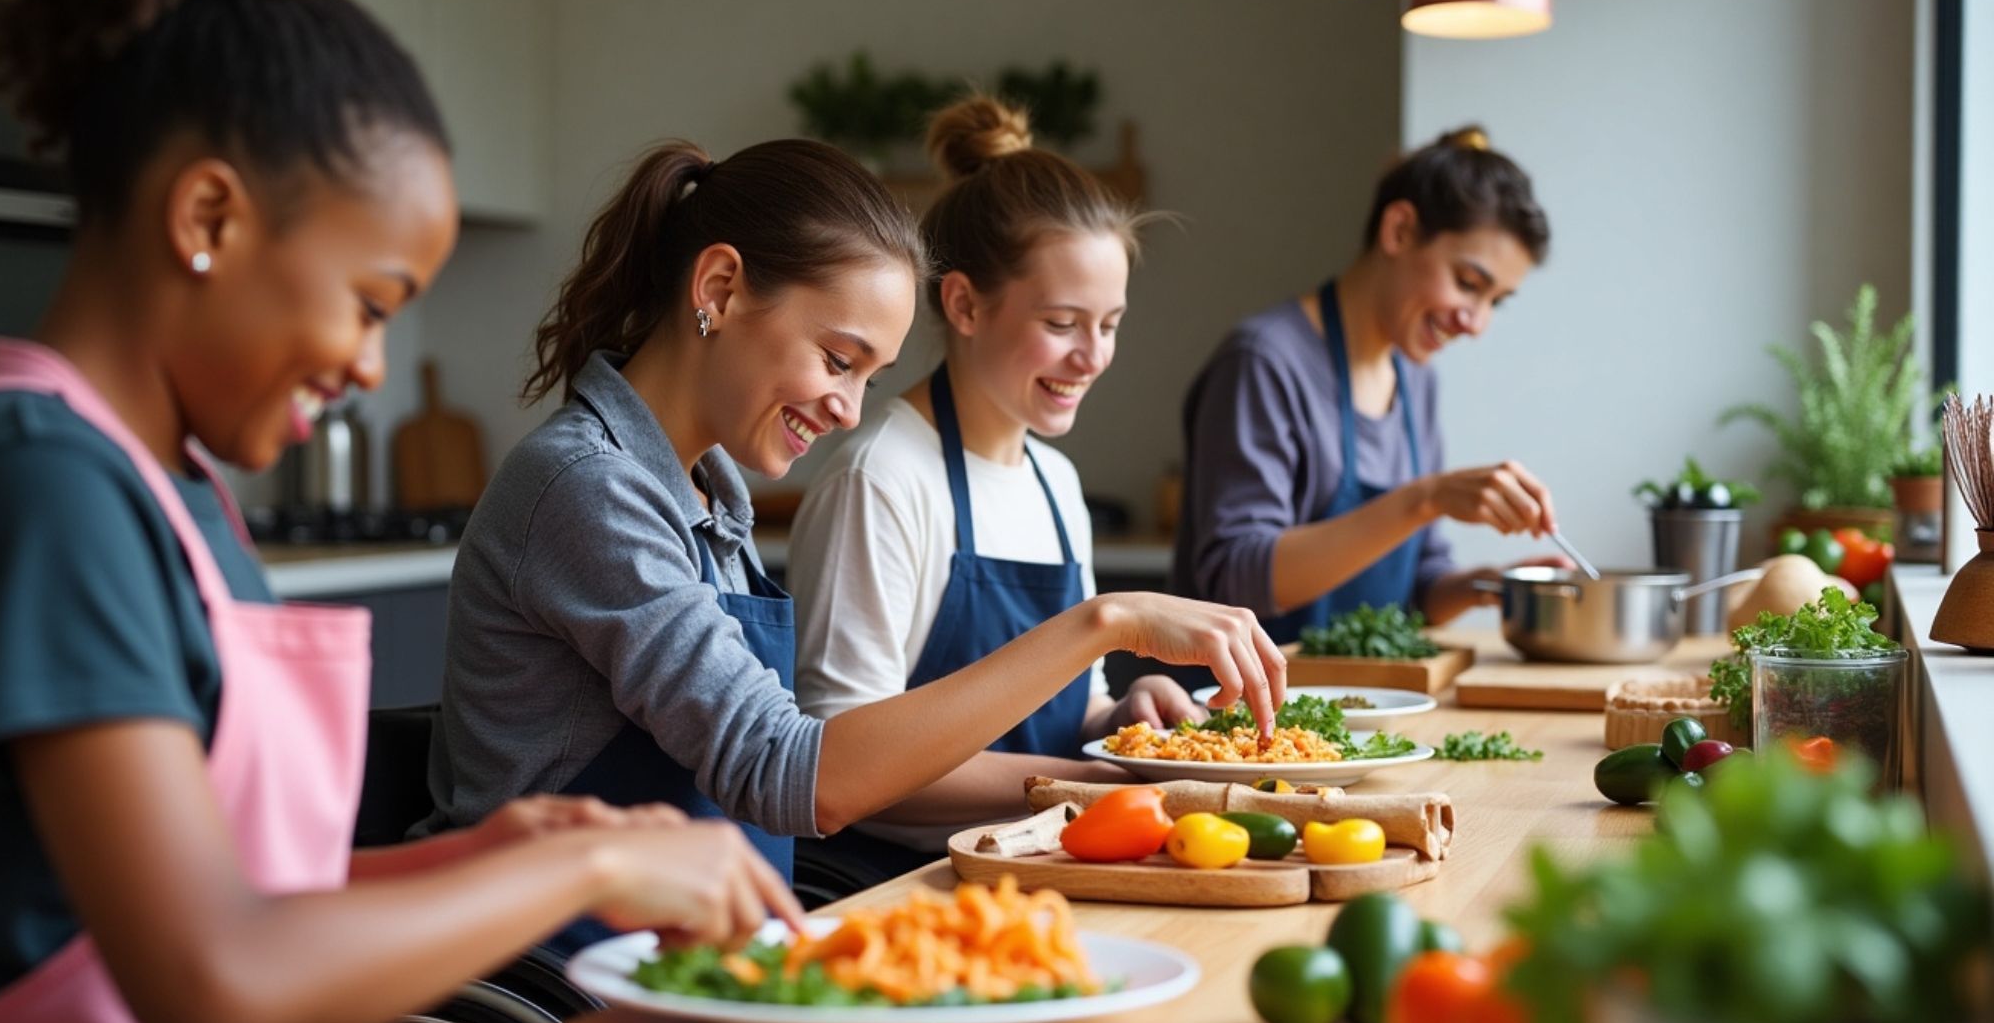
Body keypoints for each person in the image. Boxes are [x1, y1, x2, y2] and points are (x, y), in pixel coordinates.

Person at [0, 0, 796, 1023]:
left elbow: (231, 897)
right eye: (369, 302)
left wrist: (496, 850)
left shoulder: (169, 493)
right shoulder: (28, 483)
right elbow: (212, 977)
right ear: (209, 218)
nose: (376, 366)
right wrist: (578, 873)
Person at [430, 134, 1288, 939]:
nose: (848, 410)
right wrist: (1107, 624)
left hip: (706, 959)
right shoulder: (590, 487)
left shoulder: (703, 489)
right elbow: (797, 774)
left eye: (868, 375)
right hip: (564, 986)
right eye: (838, 361)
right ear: (719, 290)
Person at [786, 97, 1193, 878]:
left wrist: (1127, 716)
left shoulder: (1054, 481)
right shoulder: (883, 478)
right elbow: (839, 766)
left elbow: (1066, 716)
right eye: (1065, 322)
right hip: (891, 888)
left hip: (1036, 869)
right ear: (965, 304)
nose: (1092, 357)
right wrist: (1101, 783)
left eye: (1110, 324)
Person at [1172, 125, 1562, 640]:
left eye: (1496, 301)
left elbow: (1419, 587)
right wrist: (1425, 498)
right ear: (1399, 229)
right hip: (1239, 711)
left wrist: (1494, 586)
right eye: (1469, 284)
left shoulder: (1415, 380)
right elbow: (1234, 578)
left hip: (1362, 706)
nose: (1477, 322)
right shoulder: (1264, 362)